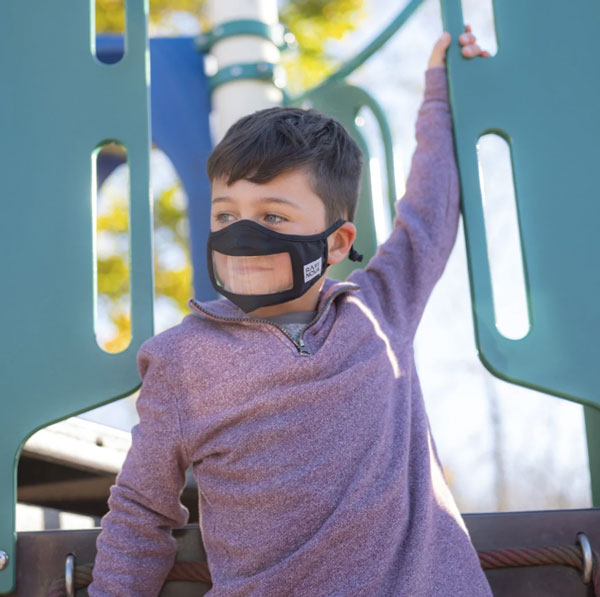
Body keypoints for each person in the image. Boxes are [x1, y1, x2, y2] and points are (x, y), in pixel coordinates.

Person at [89, 25, 493, 596]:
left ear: (335, 242)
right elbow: (139, 514)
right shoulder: (183, 360)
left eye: (273, 217)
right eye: (226, 215)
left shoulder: (381, 311)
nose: (243, 234)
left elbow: (428, 213)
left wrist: (440, 91)